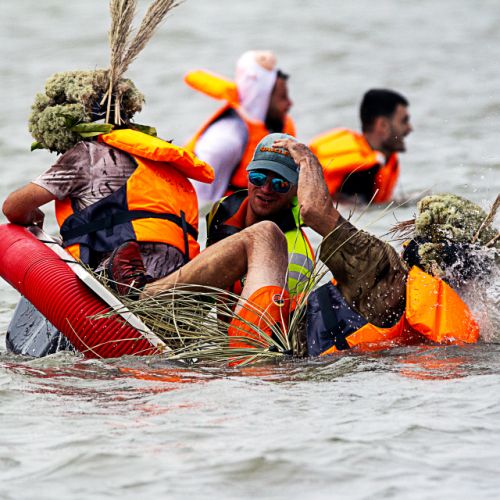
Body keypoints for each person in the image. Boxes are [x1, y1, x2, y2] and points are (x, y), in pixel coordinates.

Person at [110, 139, 493, 359]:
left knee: (265, 236)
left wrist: (307, 158)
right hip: (288, 348)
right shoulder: (457, 316)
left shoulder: (385, 268)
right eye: (258, 178)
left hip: (268, 343)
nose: (264, 189)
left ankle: (143, 294)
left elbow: (314, 211)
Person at [2, 0, 214, 356]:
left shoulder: (85, 154)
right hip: (178, 295)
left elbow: (13, 207)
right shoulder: (159, 158)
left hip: (126, 286)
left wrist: (31, 215)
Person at [206, 133, 315, 297]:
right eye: (258, 178)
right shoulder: (222, 210)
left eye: (280, 184)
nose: (266, 189)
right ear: (247, 176)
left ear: (296, 190)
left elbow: (272, 313)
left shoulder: (296, 258)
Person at [184, 50, 295, 207]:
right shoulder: (224, 141)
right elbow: (195, 206)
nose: (289, 104)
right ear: (262, 98)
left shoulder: (273, 128)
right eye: (282, 97)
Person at [309, 88, 413, 204]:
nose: (409, 128)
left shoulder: (380, 160)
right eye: (404, 121)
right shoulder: (361, 170)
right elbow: (353, 209)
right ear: (383, 125)